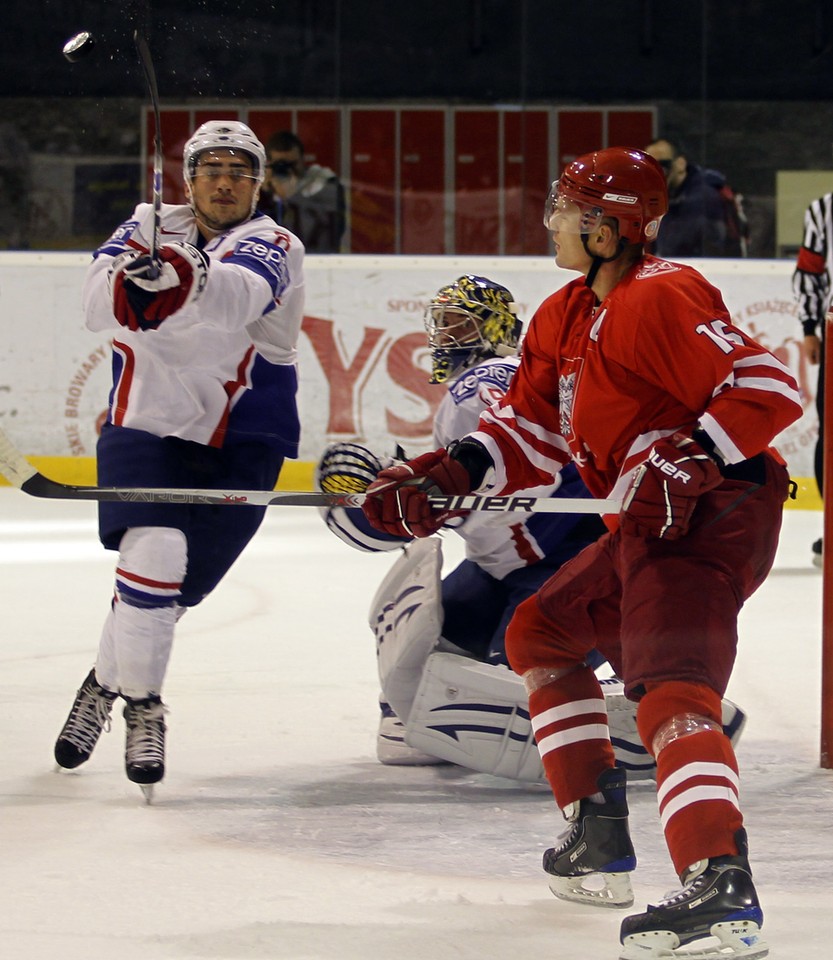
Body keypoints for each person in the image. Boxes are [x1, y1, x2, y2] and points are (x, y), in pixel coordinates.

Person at [359, 148, 802, 958]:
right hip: (647, 519)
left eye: (566, 210)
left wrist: (693, 454)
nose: (551, 223)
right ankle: (596, 837)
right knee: (541, 633)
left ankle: (717, 883)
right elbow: (523, 432)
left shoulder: (660, 297)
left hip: (715, 510)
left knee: (673, 693)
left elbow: (769, 388)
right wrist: (444, 474)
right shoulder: (563, 315)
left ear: (607, 228)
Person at [317, 276, 746, 784]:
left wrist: (398, 503)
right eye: (443, 324)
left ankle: (644, 714)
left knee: (520, 675)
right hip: (500, 569)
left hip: (558, 560)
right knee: (423, 650)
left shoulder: (487, 379)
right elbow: (464, 497)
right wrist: (398, 492)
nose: (447, 336)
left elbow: (496, 472)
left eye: (461, 323)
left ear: (497, 328)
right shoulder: (486, 385)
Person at [53, 121, 305, 800]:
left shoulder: (277, 242)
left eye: (240, 171)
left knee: (169, 598)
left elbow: (234, 299)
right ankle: (146, 707)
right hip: (144, 422)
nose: (225, 182)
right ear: (187, 177)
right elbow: (92, 304)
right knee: (156, 552)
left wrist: (181, 273)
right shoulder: (144, 225)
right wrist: (141, 277)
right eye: (211, 169)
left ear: (261, 183)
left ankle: (104, 681)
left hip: (246, 439)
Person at [792, 191, 833, 567]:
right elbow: (810, 272)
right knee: (832, 434)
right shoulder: (824, 209)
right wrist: (809, 326)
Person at [645, 137, 748, 258]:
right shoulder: (664, 198)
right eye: (649, 167)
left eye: (662, 165)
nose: (656, 173)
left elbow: (706, 250)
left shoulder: (704, 199)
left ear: (680, 163)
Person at [259, 130, 345, 253]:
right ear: (269, 164)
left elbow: (328, 232)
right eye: (280, 165)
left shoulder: (323, 183)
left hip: (316, 257)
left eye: (292, 164)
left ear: (303, 159)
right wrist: (264, 195)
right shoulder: (264, 190)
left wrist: (292, 197)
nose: (287, 170)